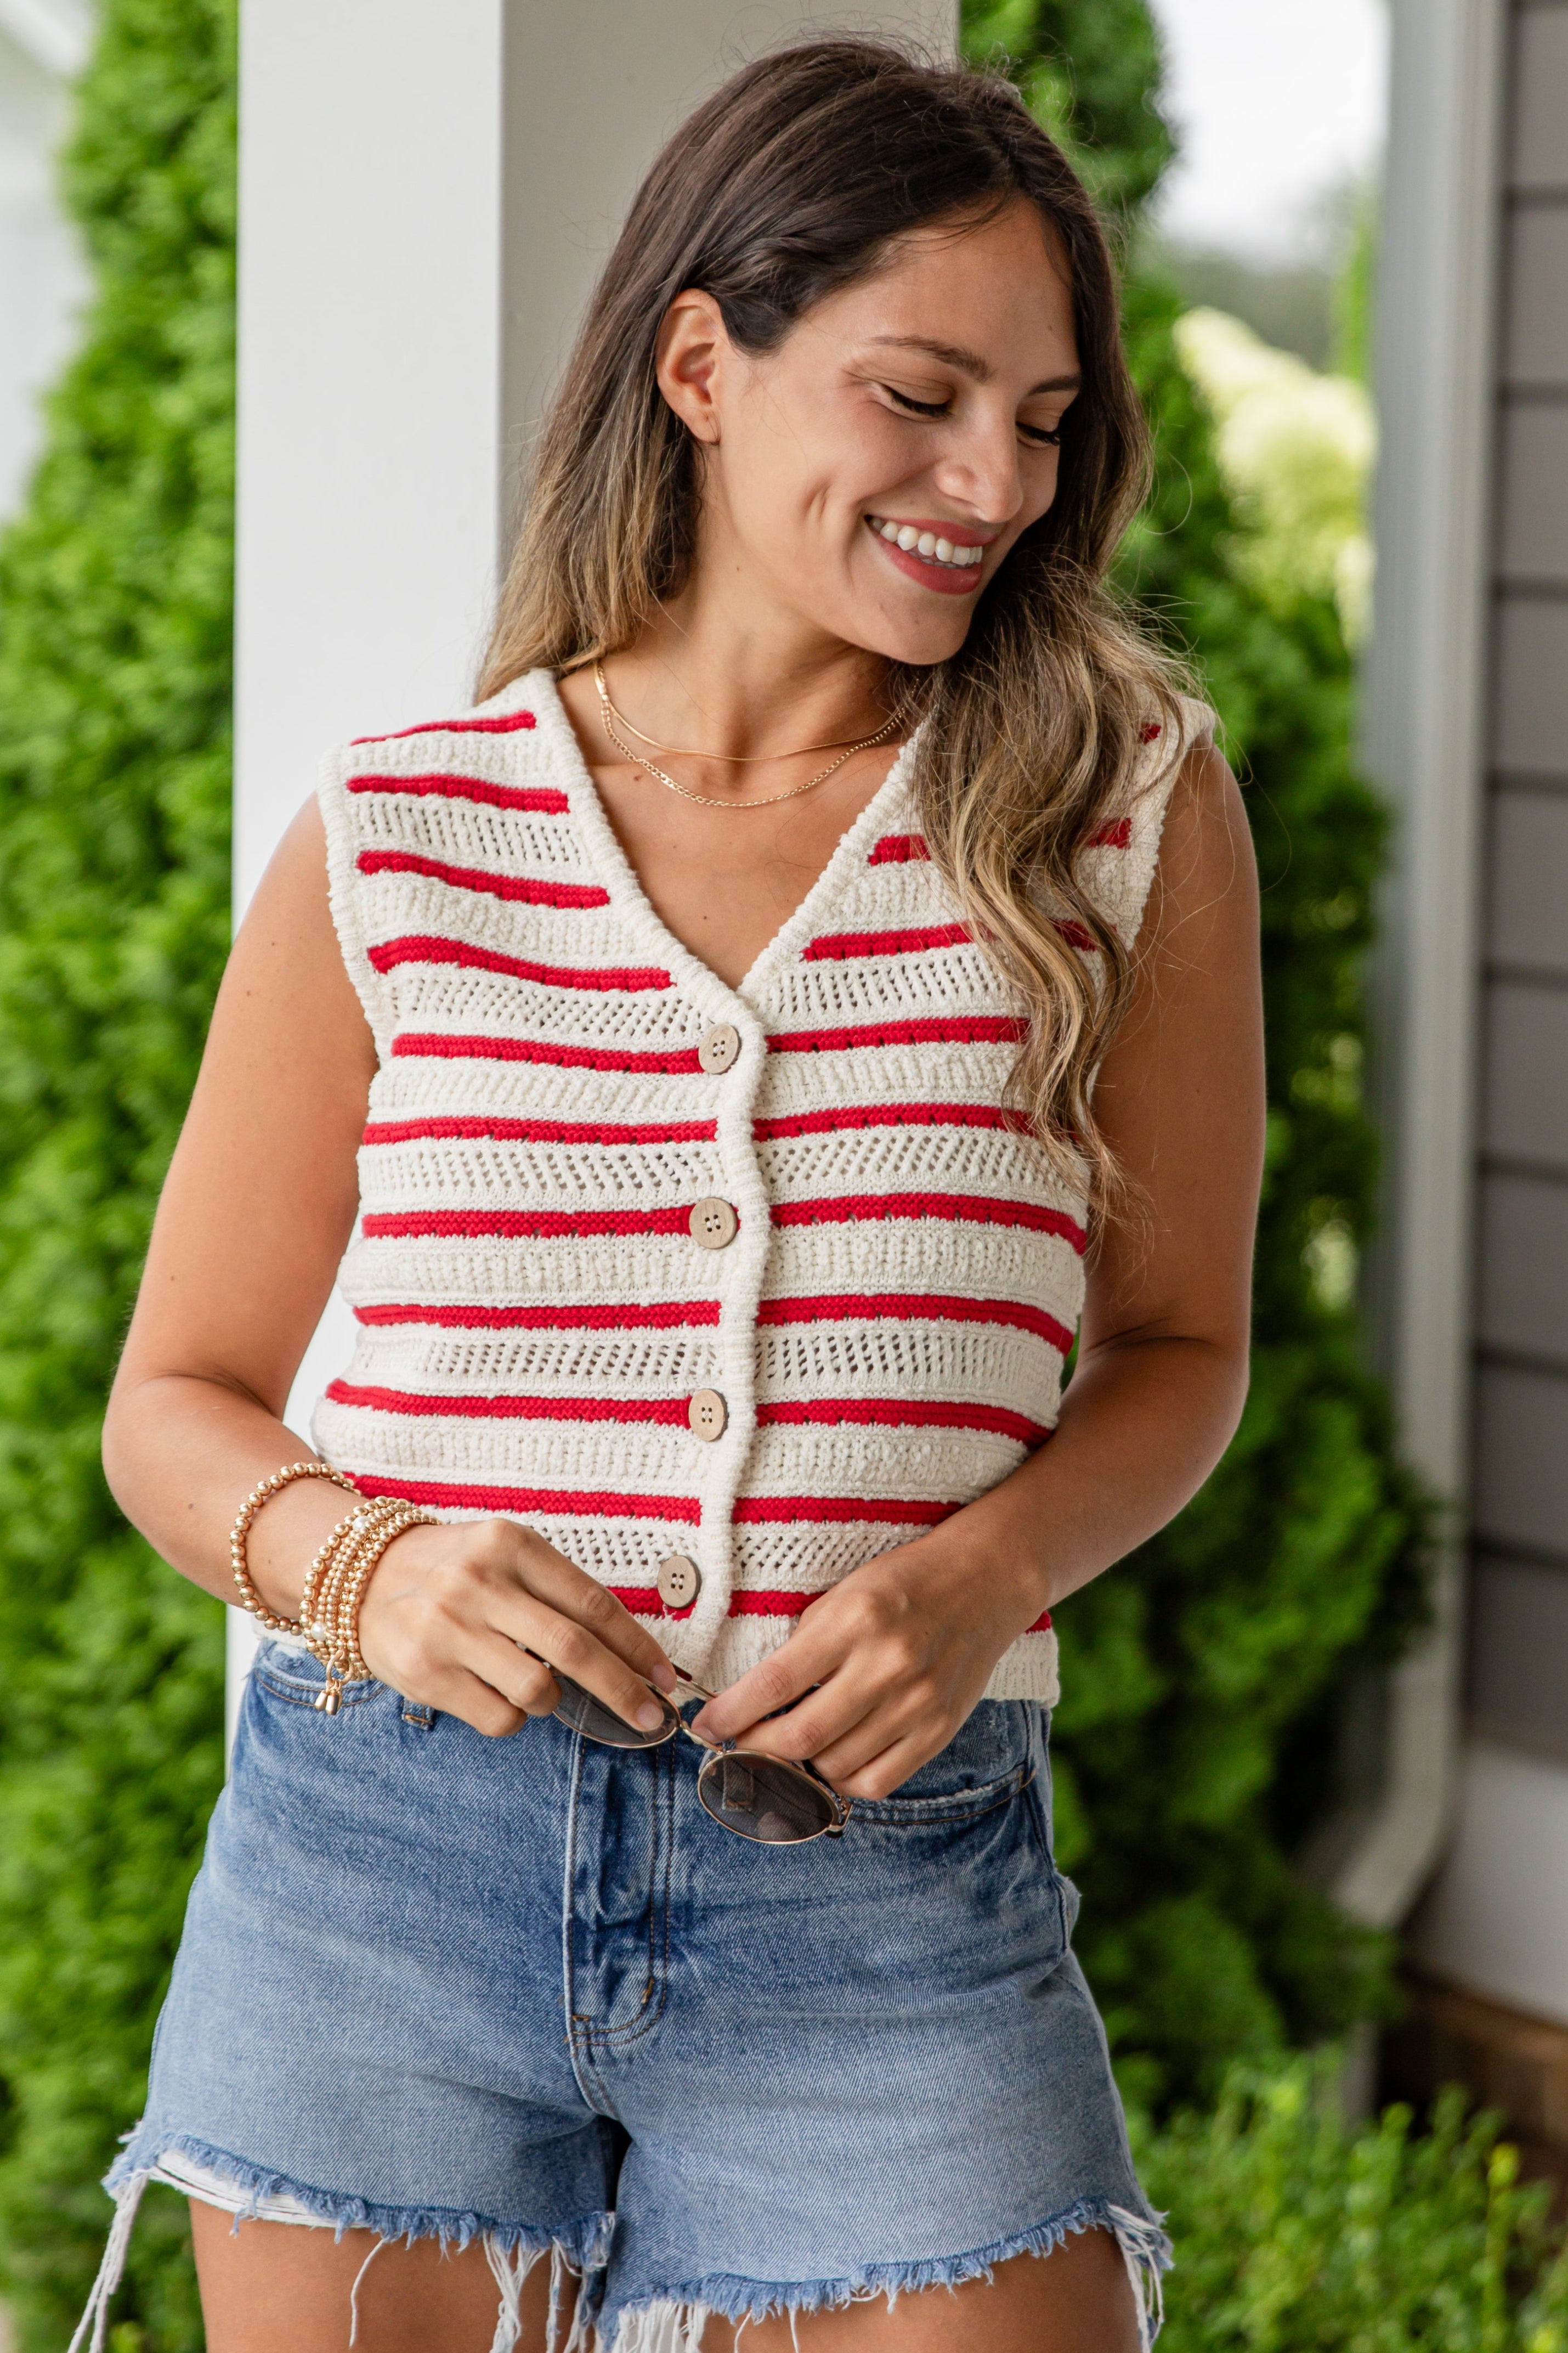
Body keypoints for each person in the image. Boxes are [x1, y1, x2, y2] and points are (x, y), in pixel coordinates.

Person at [78, 36, 1263, 2353]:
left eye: (1040, 419)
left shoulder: (1116, 811)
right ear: (701, 362)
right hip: (385, 1873)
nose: (990, 479)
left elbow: (1181, 1348)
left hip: (888, 1883)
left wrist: (989, 1567)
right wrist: (367, 1560)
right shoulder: (405, 832)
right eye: (920, 393)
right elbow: (177, 1396)